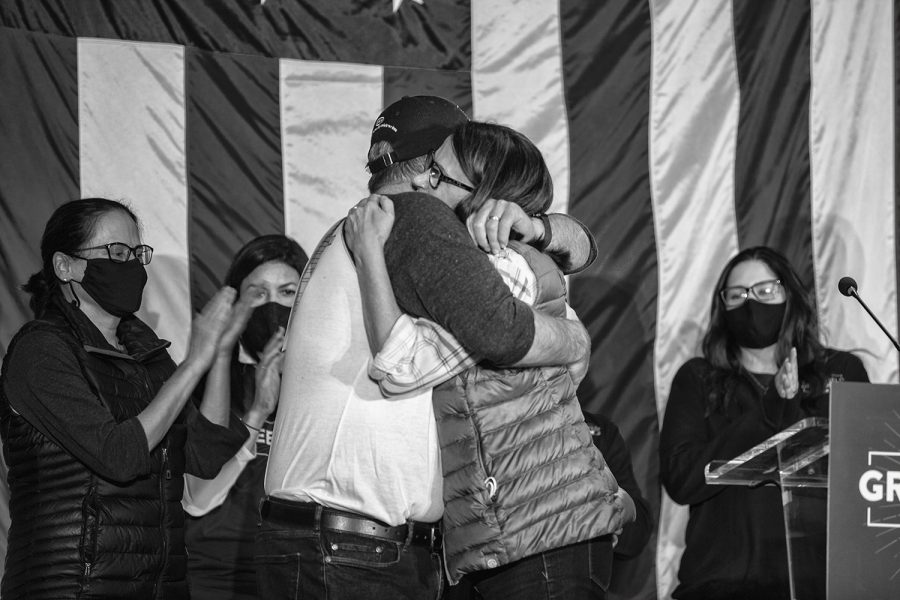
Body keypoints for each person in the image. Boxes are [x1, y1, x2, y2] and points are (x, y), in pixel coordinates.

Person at [258, 96, 600, 600]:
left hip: (333, 540)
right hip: (350, 547)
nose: (426, 182)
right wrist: (573, 339)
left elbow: (579, 245)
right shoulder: (414, 215)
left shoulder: (372, 222)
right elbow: (499, 333)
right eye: (437, 165)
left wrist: (540, 228)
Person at [345, 121, 635, 599]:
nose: (419, 181)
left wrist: (369, 252)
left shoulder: (506, 270)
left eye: (438, 174)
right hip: (522, 532)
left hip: (545, 534)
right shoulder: (491, 265)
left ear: (488, 195)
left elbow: (401, 367)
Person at [0, 198, 249, 599]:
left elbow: (205, 453)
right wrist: (193, 361)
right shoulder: (41, 351)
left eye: (137, 253)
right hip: (74, 584)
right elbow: (118, 455)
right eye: (116, 252)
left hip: (155, 584)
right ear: (65, 266)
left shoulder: (143, 349)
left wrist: (217, 355)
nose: (131, 264)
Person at [659, 246, 870, 600]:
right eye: (737, 295)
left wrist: (791, 409)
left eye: (765, 291)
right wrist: (767, 413)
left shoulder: (841, 372)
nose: (751, 302)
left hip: (821, 583)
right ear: (722, 307)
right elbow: (682, 480)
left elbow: (861, 479)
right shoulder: (698, 378)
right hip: (720, 585)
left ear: (790, 295)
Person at [183, 235, 308, 600]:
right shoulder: (208, 381)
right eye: (257, 293)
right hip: (214, 576)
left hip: (299, 574)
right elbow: (198, 498)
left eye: (287, 292)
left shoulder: (326, 389)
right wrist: (256, 415)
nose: (272, 306)